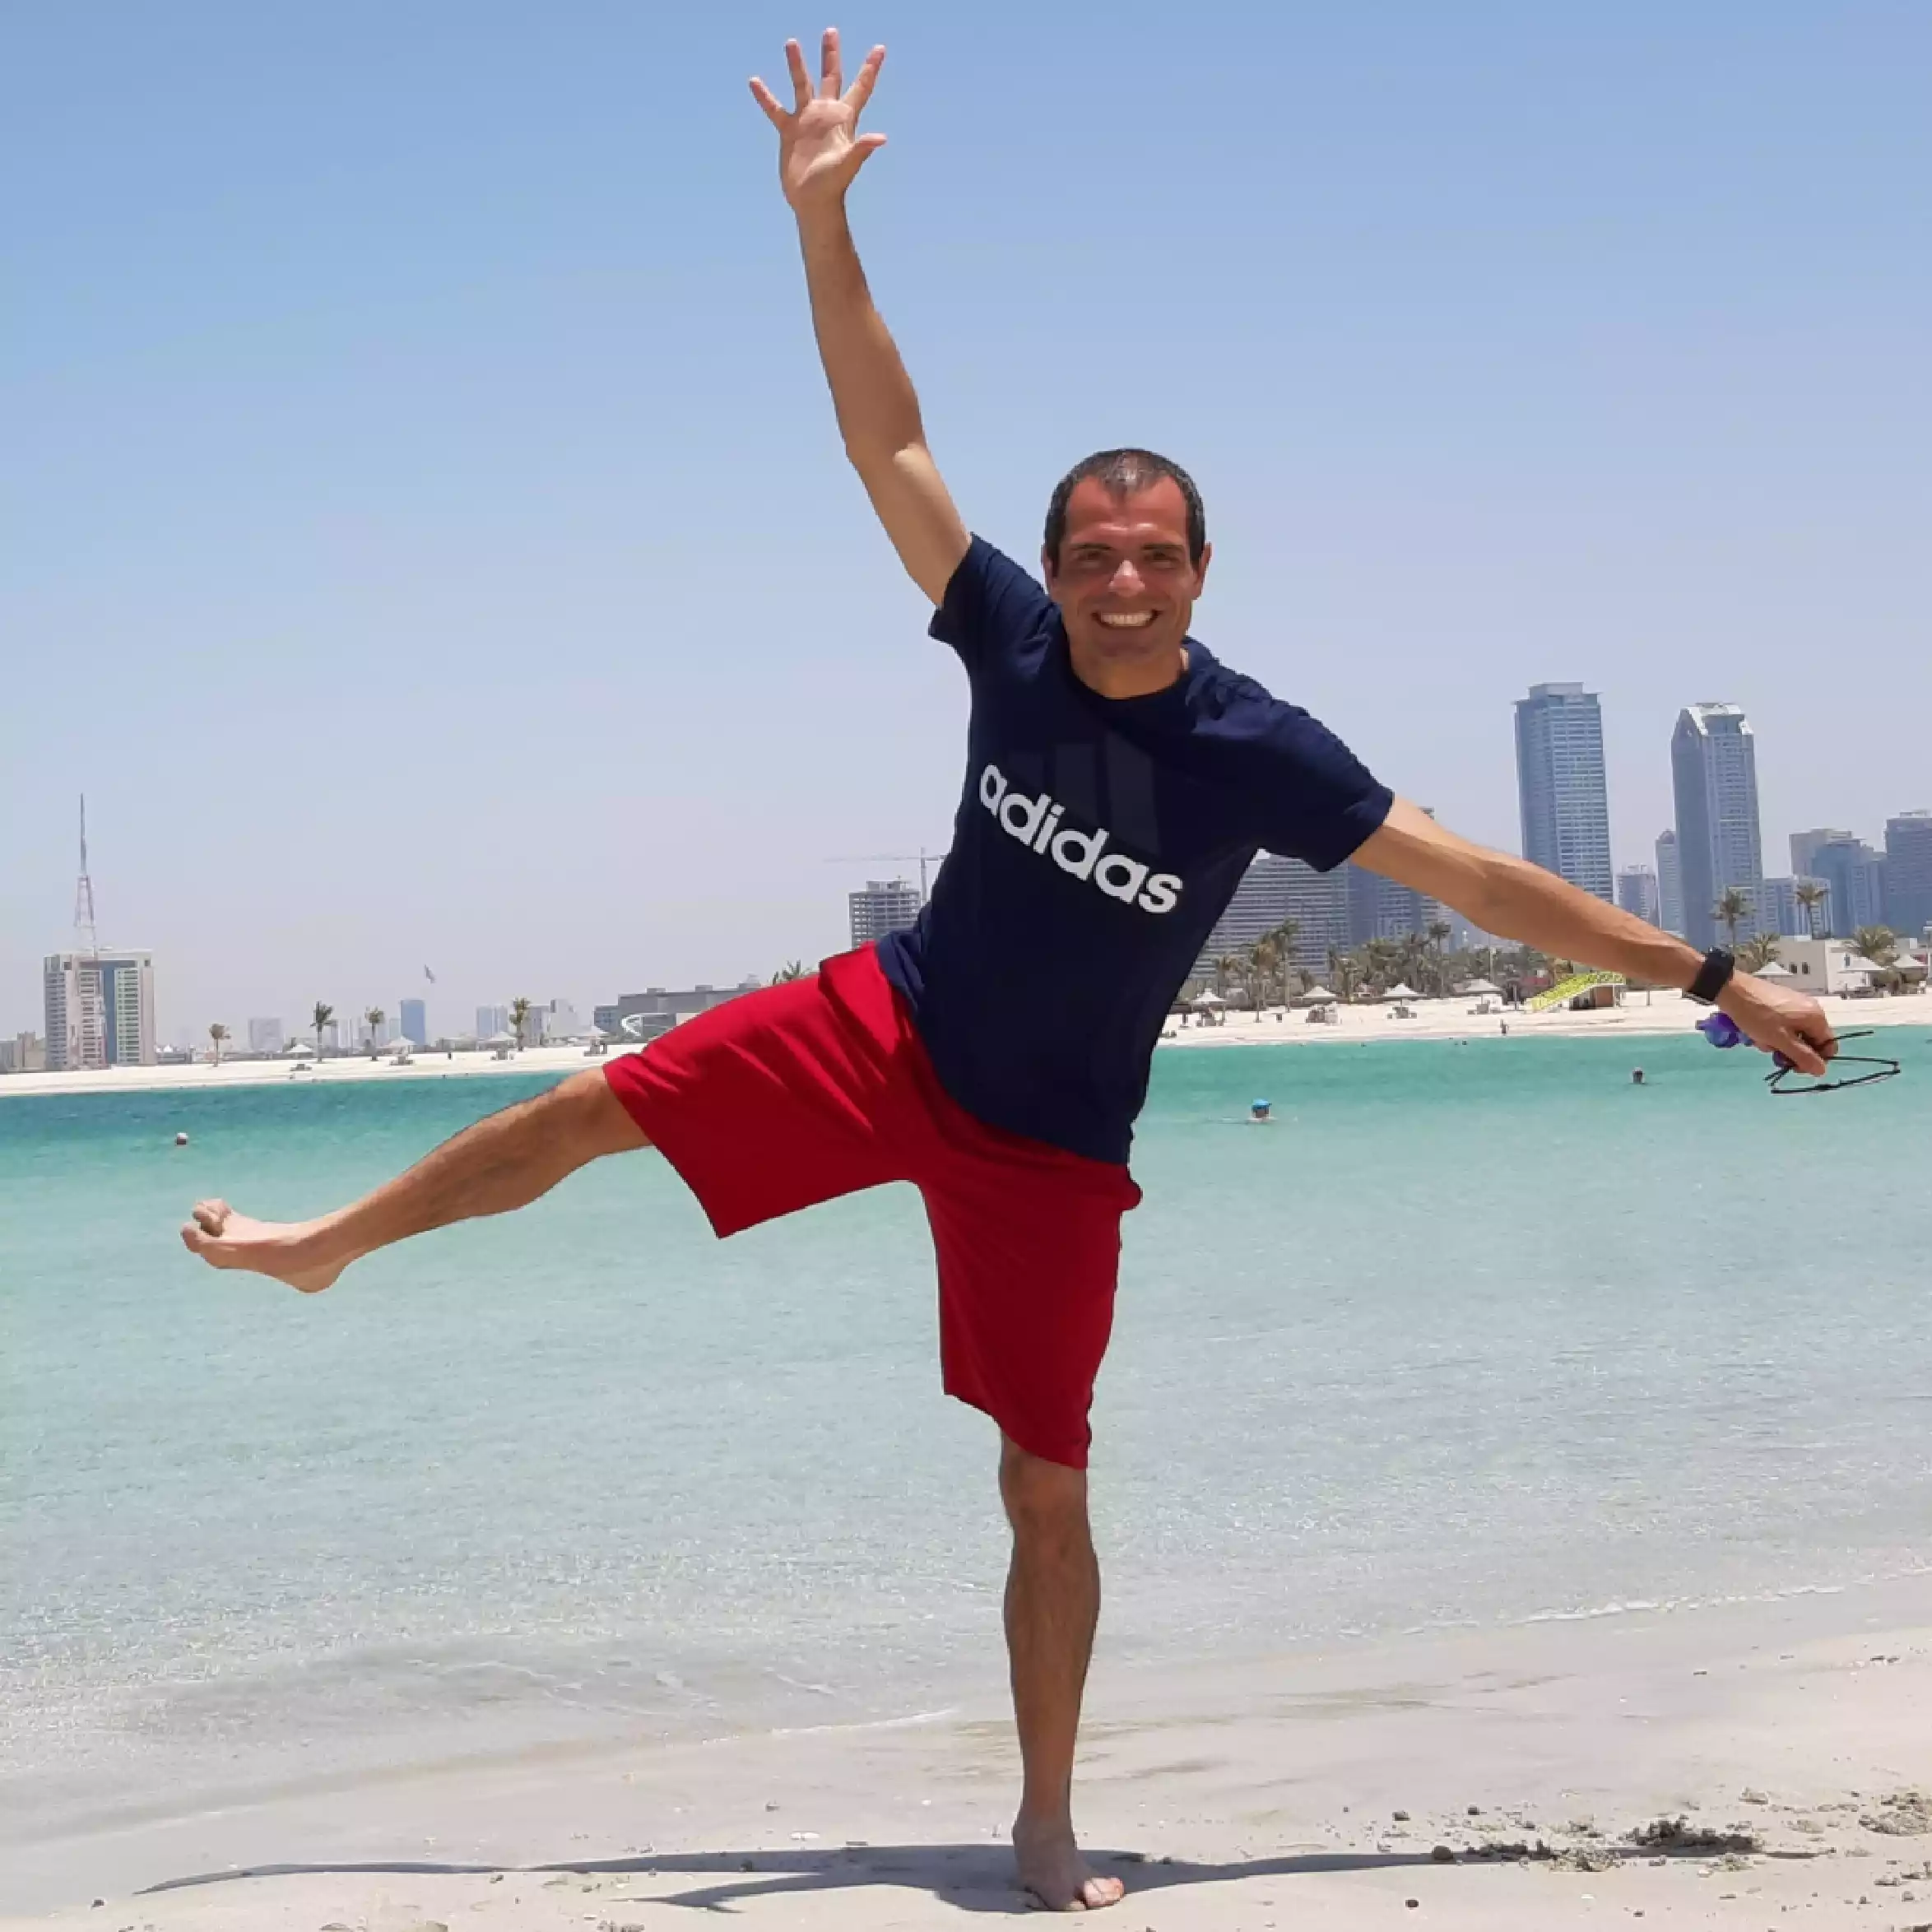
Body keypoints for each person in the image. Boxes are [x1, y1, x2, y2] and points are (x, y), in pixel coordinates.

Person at [179, 30, 1837, 1912]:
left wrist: (1718, 977)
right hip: (889, 1029)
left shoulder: (1259, 748)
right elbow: (884, 438)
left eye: (1154, 557)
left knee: (1045, 1485)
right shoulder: (1009, 637)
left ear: (1200, 571)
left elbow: (1484, 885)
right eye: (1093, 556)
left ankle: (1043, 1816)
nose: (1122, 582)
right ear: (1056, 566)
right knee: (588, 1105)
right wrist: (819, 225)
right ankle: (328, 1246)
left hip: (1050, 1149)